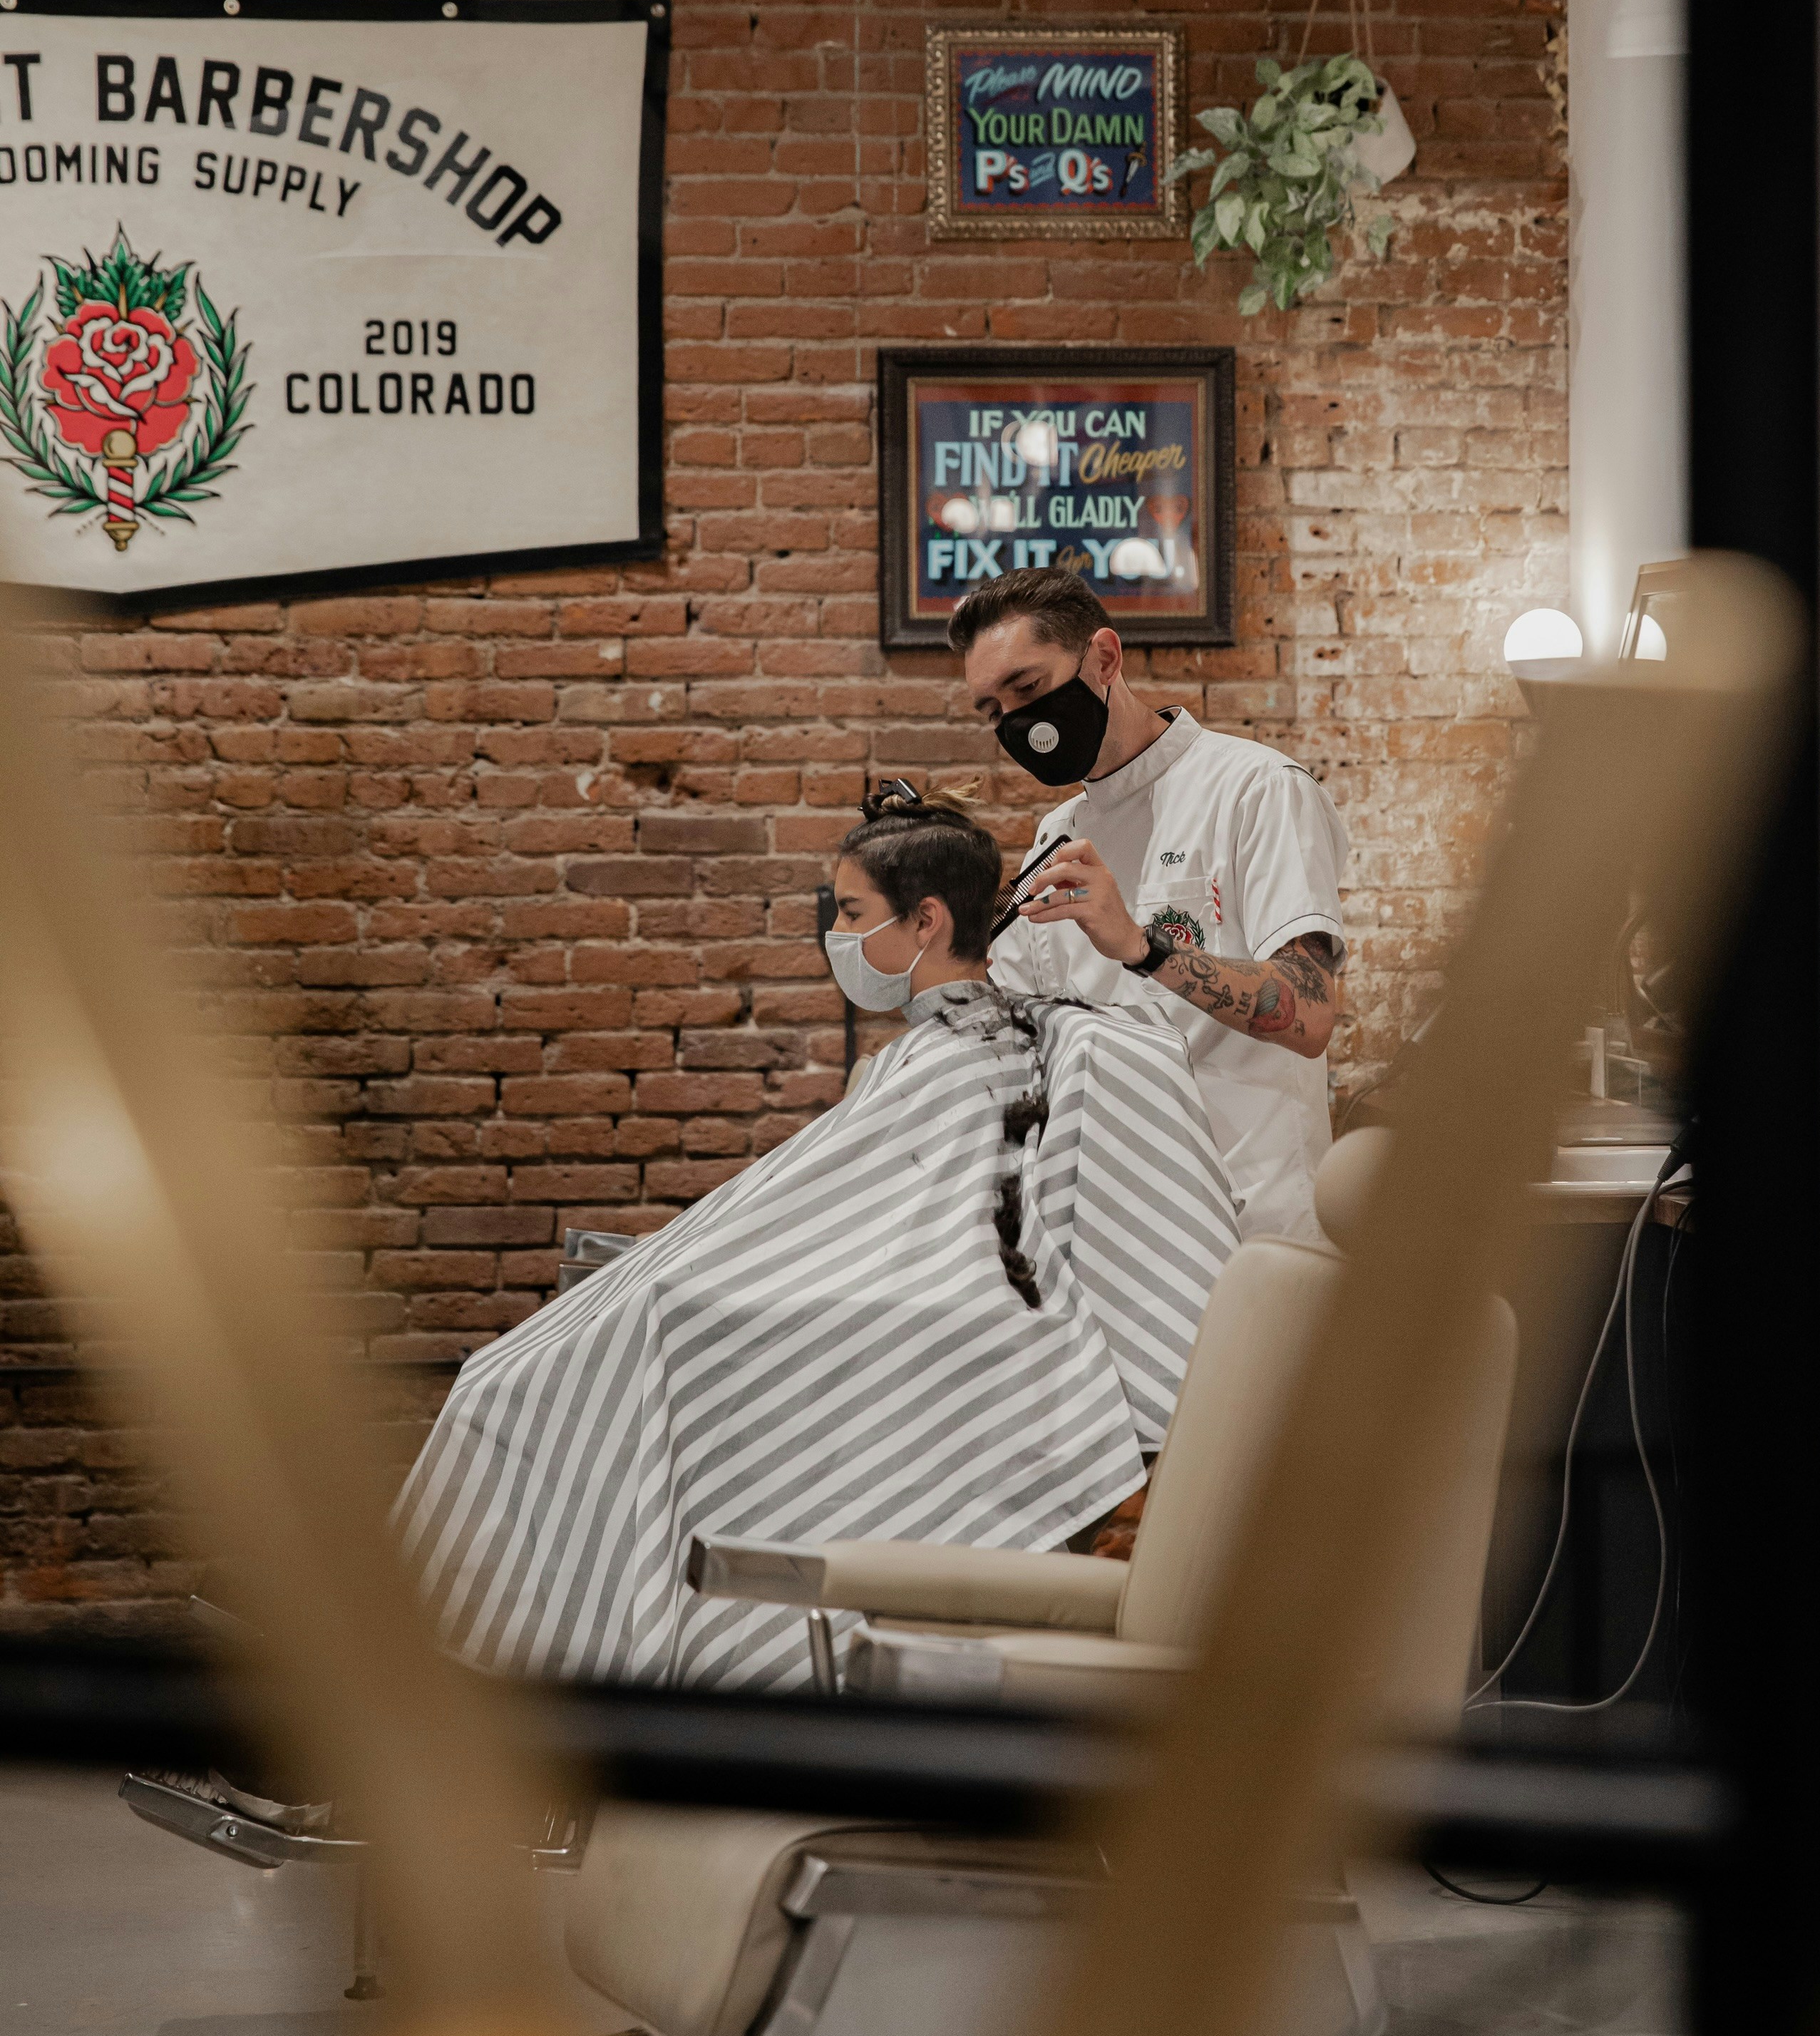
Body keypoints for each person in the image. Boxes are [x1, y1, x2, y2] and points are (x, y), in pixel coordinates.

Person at [394, 789, 1238, 1693]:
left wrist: (691, 1291)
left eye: (851, 915)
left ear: (927, 920)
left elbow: (947, 1242)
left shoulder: (1026, 1048)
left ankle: (466, 1692)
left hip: (928, 1322)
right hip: (802, 1300)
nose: (838, 939)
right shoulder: (920, 1059)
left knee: (540, 1380)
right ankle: (464, 1685)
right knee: (516, 1377)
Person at [955, 566, 1349, 1243]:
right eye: (995, 713)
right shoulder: (1056, 840)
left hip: (1252, 1222)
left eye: (1028, 689)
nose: (1021, 725)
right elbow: (1025, 1039)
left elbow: (1309, 1014)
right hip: (1118, 1228)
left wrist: (1142, 947)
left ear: (1104, 658)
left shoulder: (1255, 791)